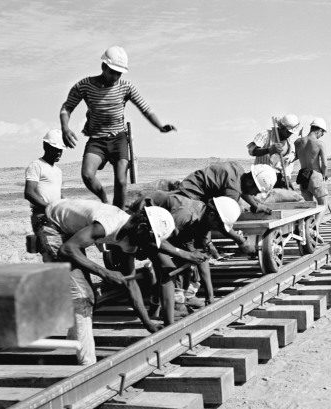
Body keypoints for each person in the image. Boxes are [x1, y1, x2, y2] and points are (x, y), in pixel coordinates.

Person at [39, 199, 175, 365]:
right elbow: (67, 249)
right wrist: (105, 273)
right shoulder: (110, 222)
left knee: (85, 294)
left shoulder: (130, 239)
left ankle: (73, 342)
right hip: (52, 227)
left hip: (70, 231)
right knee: (83, 296)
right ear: (141, 228)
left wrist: (148, 324)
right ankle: (87, 365)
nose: (149, 245)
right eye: (150, 239)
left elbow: (130, 283)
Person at [60, 46, 176, 209]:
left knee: (121, 181)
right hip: (97, 140)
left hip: (119, 139)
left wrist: (160, 126)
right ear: (103, 67)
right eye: (112, 72)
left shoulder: (126, 87)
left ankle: (118, 214)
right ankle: (104, 200)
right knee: (87, 175)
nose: (115, 76)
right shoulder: (85, 85)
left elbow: (145, 108)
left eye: (119, 73)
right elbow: (67, 107)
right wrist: (65, 128)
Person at [129, 193, 242, 316]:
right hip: (143, 225)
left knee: (187, 262)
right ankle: (172, 306)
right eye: (219, 225)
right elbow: (157, 240)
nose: (218, 229)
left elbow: (201, 257)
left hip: (163, 231)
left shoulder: (204, 220)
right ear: (212, 215)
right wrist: (186, 255)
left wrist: (210, 296)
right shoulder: (185, 215)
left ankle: (173, 302)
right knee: (168, 267)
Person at [24, 130, 65, 260]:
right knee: (51, 254)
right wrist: (49, 207)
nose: (59, 153)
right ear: (45, 147)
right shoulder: (36, 165)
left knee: (61, 252)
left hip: (56, 216)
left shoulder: (58, 171)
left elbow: (57, 194)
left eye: (60, 150)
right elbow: (29, 192)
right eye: (55, 149)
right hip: (42, 216)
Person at [294, 117, 328, 236]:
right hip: (315, 175)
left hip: (303, 175)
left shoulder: (298, 142)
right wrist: (324, 175)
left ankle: (309, 230)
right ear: (318, 130)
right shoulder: (319, 144)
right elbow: (324, 164)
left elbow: (296, 156)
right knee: (323, 204)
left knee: (310, 207)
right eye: (322, 133)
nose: (322, 135)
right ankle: (314, 229)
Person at [247, 114, 299, 190]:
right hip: (261, 177)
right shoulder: (265, 135)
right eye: (287, 132)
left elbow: (286, 165)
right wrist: (269, 150)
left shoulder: (290, 144)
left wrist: (287, 179)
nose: (289, 135)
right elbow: (252, 151)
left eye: (291, 133)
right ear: (281, 127)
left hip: (278, 179)